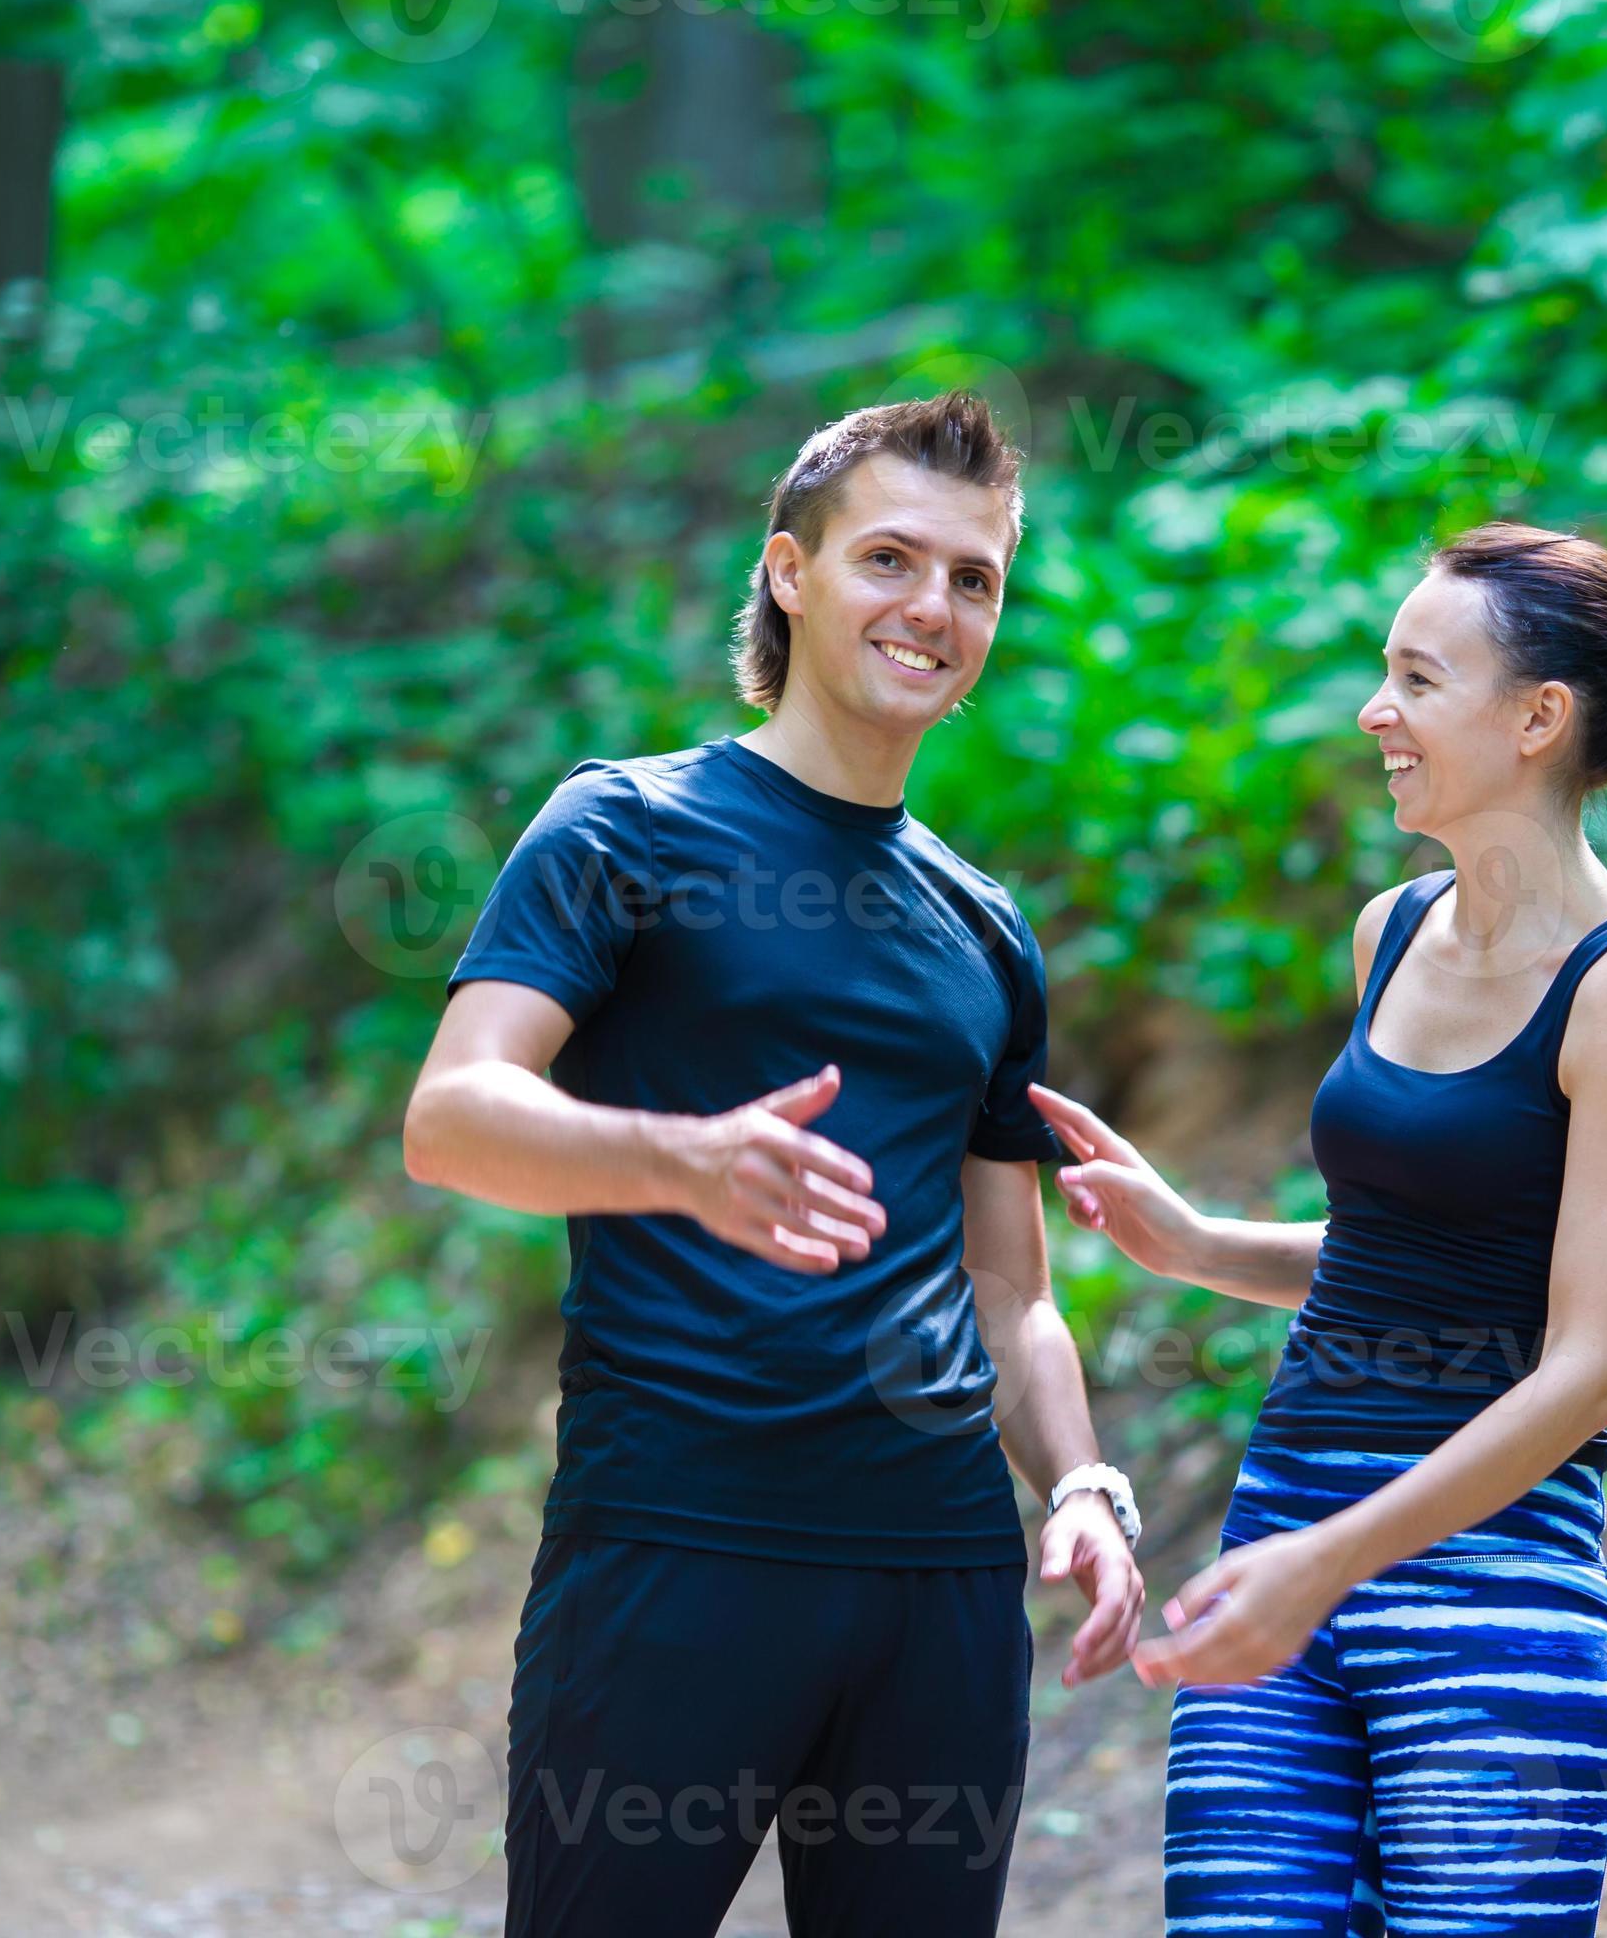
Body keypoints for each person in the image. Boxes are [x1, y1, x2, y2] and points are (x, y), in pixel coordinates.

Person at [403, 392, 1146, 1938]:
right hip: (679, 1545)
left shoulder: (984, 923)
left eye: (974, 578)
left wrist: (1078, 1480)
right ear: (791, 573)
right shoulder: (623, 829)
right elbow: (454, 1115)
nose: (932, 607)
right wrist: (676, 1160)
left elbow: (1010, 1290)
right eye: (890, 559)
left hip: (940, 1577)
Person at [1032, 522, 1607, 1936]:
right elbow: (1424, 1257)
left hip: (1490, 1599)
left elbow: (1588, 1366)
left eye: (1416, 680)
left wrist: (1335, 1562)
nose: (1376, 713)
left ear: (1537, 719)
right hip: (1282, 1546)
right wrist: (1198, 1241)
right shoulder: (1389, 929)